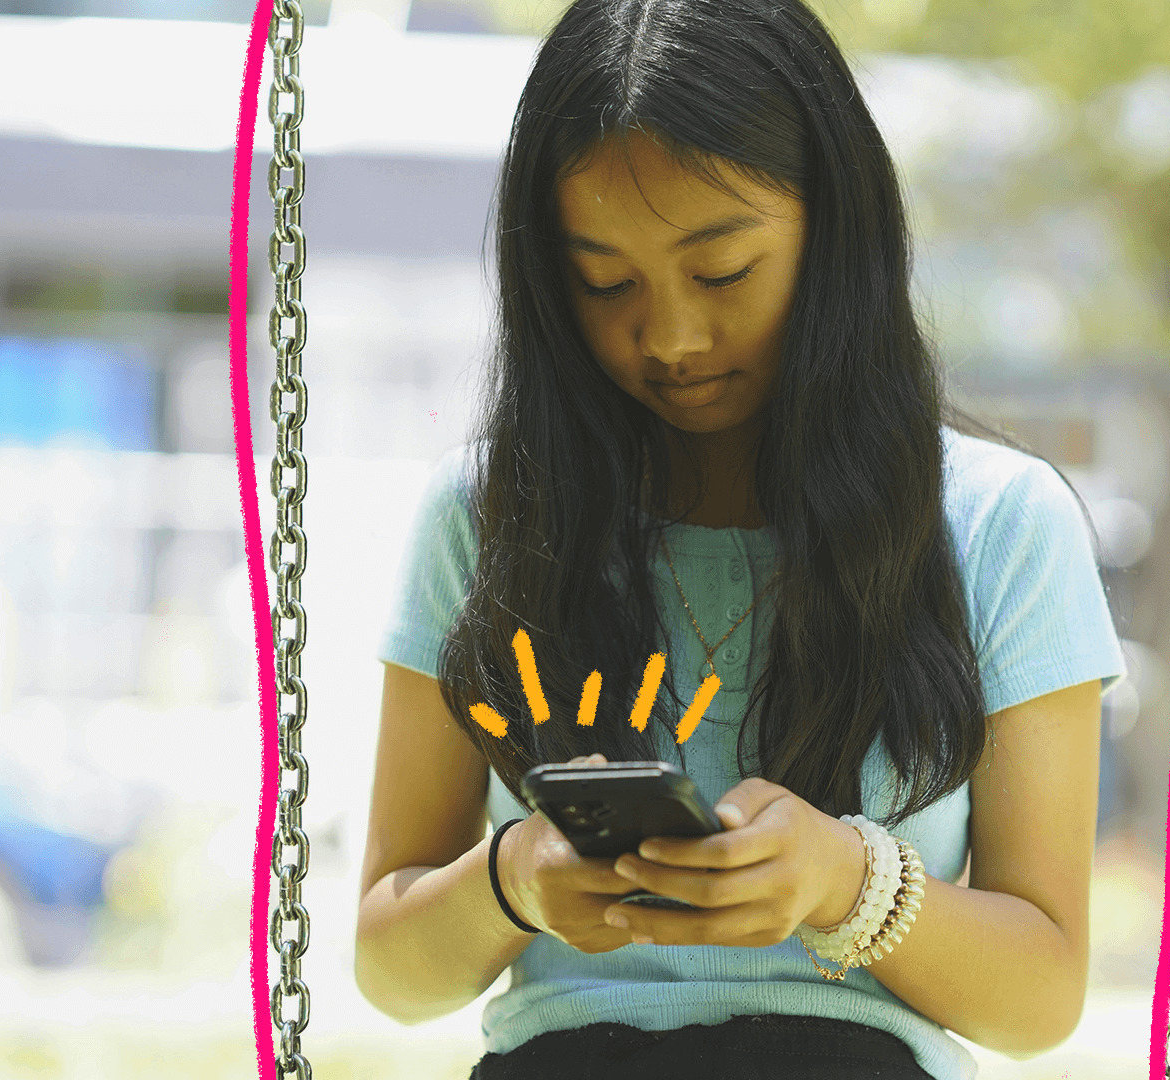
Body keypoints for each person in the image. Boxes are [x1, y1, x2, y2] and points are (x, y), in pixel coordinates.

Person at [356, 0, 1129, 1076]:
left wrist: (846, 883)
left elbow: (1040, 995)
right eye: (605, 282)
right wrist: (515, 877)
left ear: (835, 228)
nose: (670, 337)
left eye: (721, 271)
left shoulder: (999, 525)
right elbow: (393, 968)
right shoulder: (489, 519)